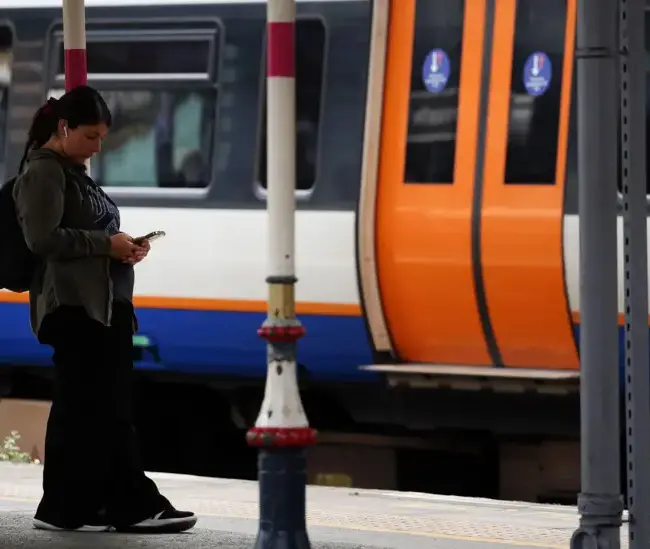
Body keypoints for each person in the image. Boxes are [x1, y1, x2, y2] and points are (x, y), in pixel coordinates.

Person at [12, 85, 197, 533]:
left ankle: (67, 508)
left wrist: (124, 248)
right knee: (104, 409)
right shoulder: (44, 172)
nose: (99, 146)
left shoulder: (75, 174)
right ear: (63, 128)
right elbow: (42, 238)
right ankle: (131, 504)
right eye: (91, 136)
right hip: (75, 308)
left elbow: (82, 235)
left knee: (84, 410)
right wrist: (104, 244)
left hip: (101, 307)